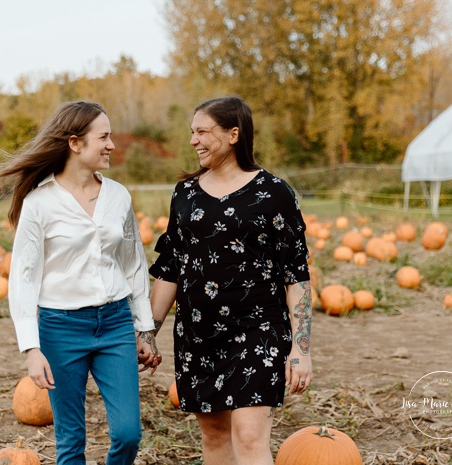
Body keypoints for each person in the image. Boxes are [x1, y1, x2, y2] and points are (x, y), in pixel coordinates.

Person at [0, 100, 160, 465]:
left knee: (128, 433)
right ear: (75, 143)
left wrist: (145, 329)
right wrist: (31, 348)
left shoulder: (118, 196)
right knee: (70, 440)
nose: (111, 145)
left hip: (115, 323)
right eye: (103, 137)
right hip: (60, 328)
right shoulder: (39, 203)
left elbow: (134, 265)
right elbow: (23, 278)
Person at [149, 96, 312, 465]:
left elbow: (295, 275)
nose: (194, 141)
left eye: (203, 131)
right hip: (199, 335)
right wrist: (148, 331)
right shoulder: (186, 194)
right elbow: (171, 267)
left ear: (234, 134)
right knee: (215, 435)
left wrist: (301, 349)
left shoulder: (274, 193)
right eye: (192, 132)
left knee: (251, 437)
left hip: (259, 331)